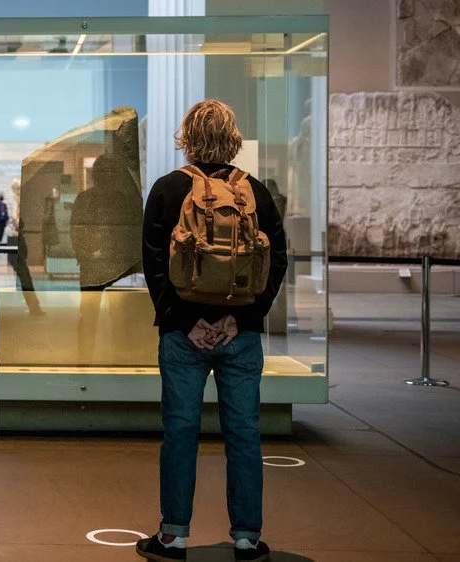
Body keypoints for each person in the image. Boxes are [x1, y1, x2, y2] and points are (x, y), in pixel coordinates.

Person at [136, 100, 287, 562]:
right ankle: (246, 538)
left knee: (180, 430)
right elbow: (275, 263)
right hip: (239, 335)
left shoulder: (167, 189)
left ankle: (174, 536)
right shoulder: (256, 193)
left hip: (185, 337)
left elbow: (154, 264)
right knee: (243, 431)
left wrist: (188, 323)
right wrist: (235, 320)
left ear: (187, 137)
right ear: (233, 138)